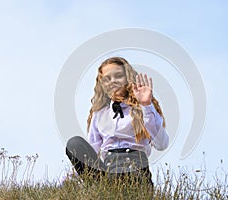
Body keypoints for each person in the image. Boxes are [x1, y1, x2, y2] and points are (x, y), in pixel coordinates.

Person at [66, 57, 169, 186]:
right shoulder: (99, 114)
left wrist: (146, 105)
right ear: (101, 84)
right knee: (74, 143)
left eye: (118, 76)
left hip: (136, 174)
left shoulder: (143, 109)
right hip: (108, 174)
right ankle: (103, 188)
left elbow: (162, 144)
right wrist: (70, 181)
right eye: (107, 79)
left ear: (128, 78)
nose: (112, 81)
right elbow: (92, 150)